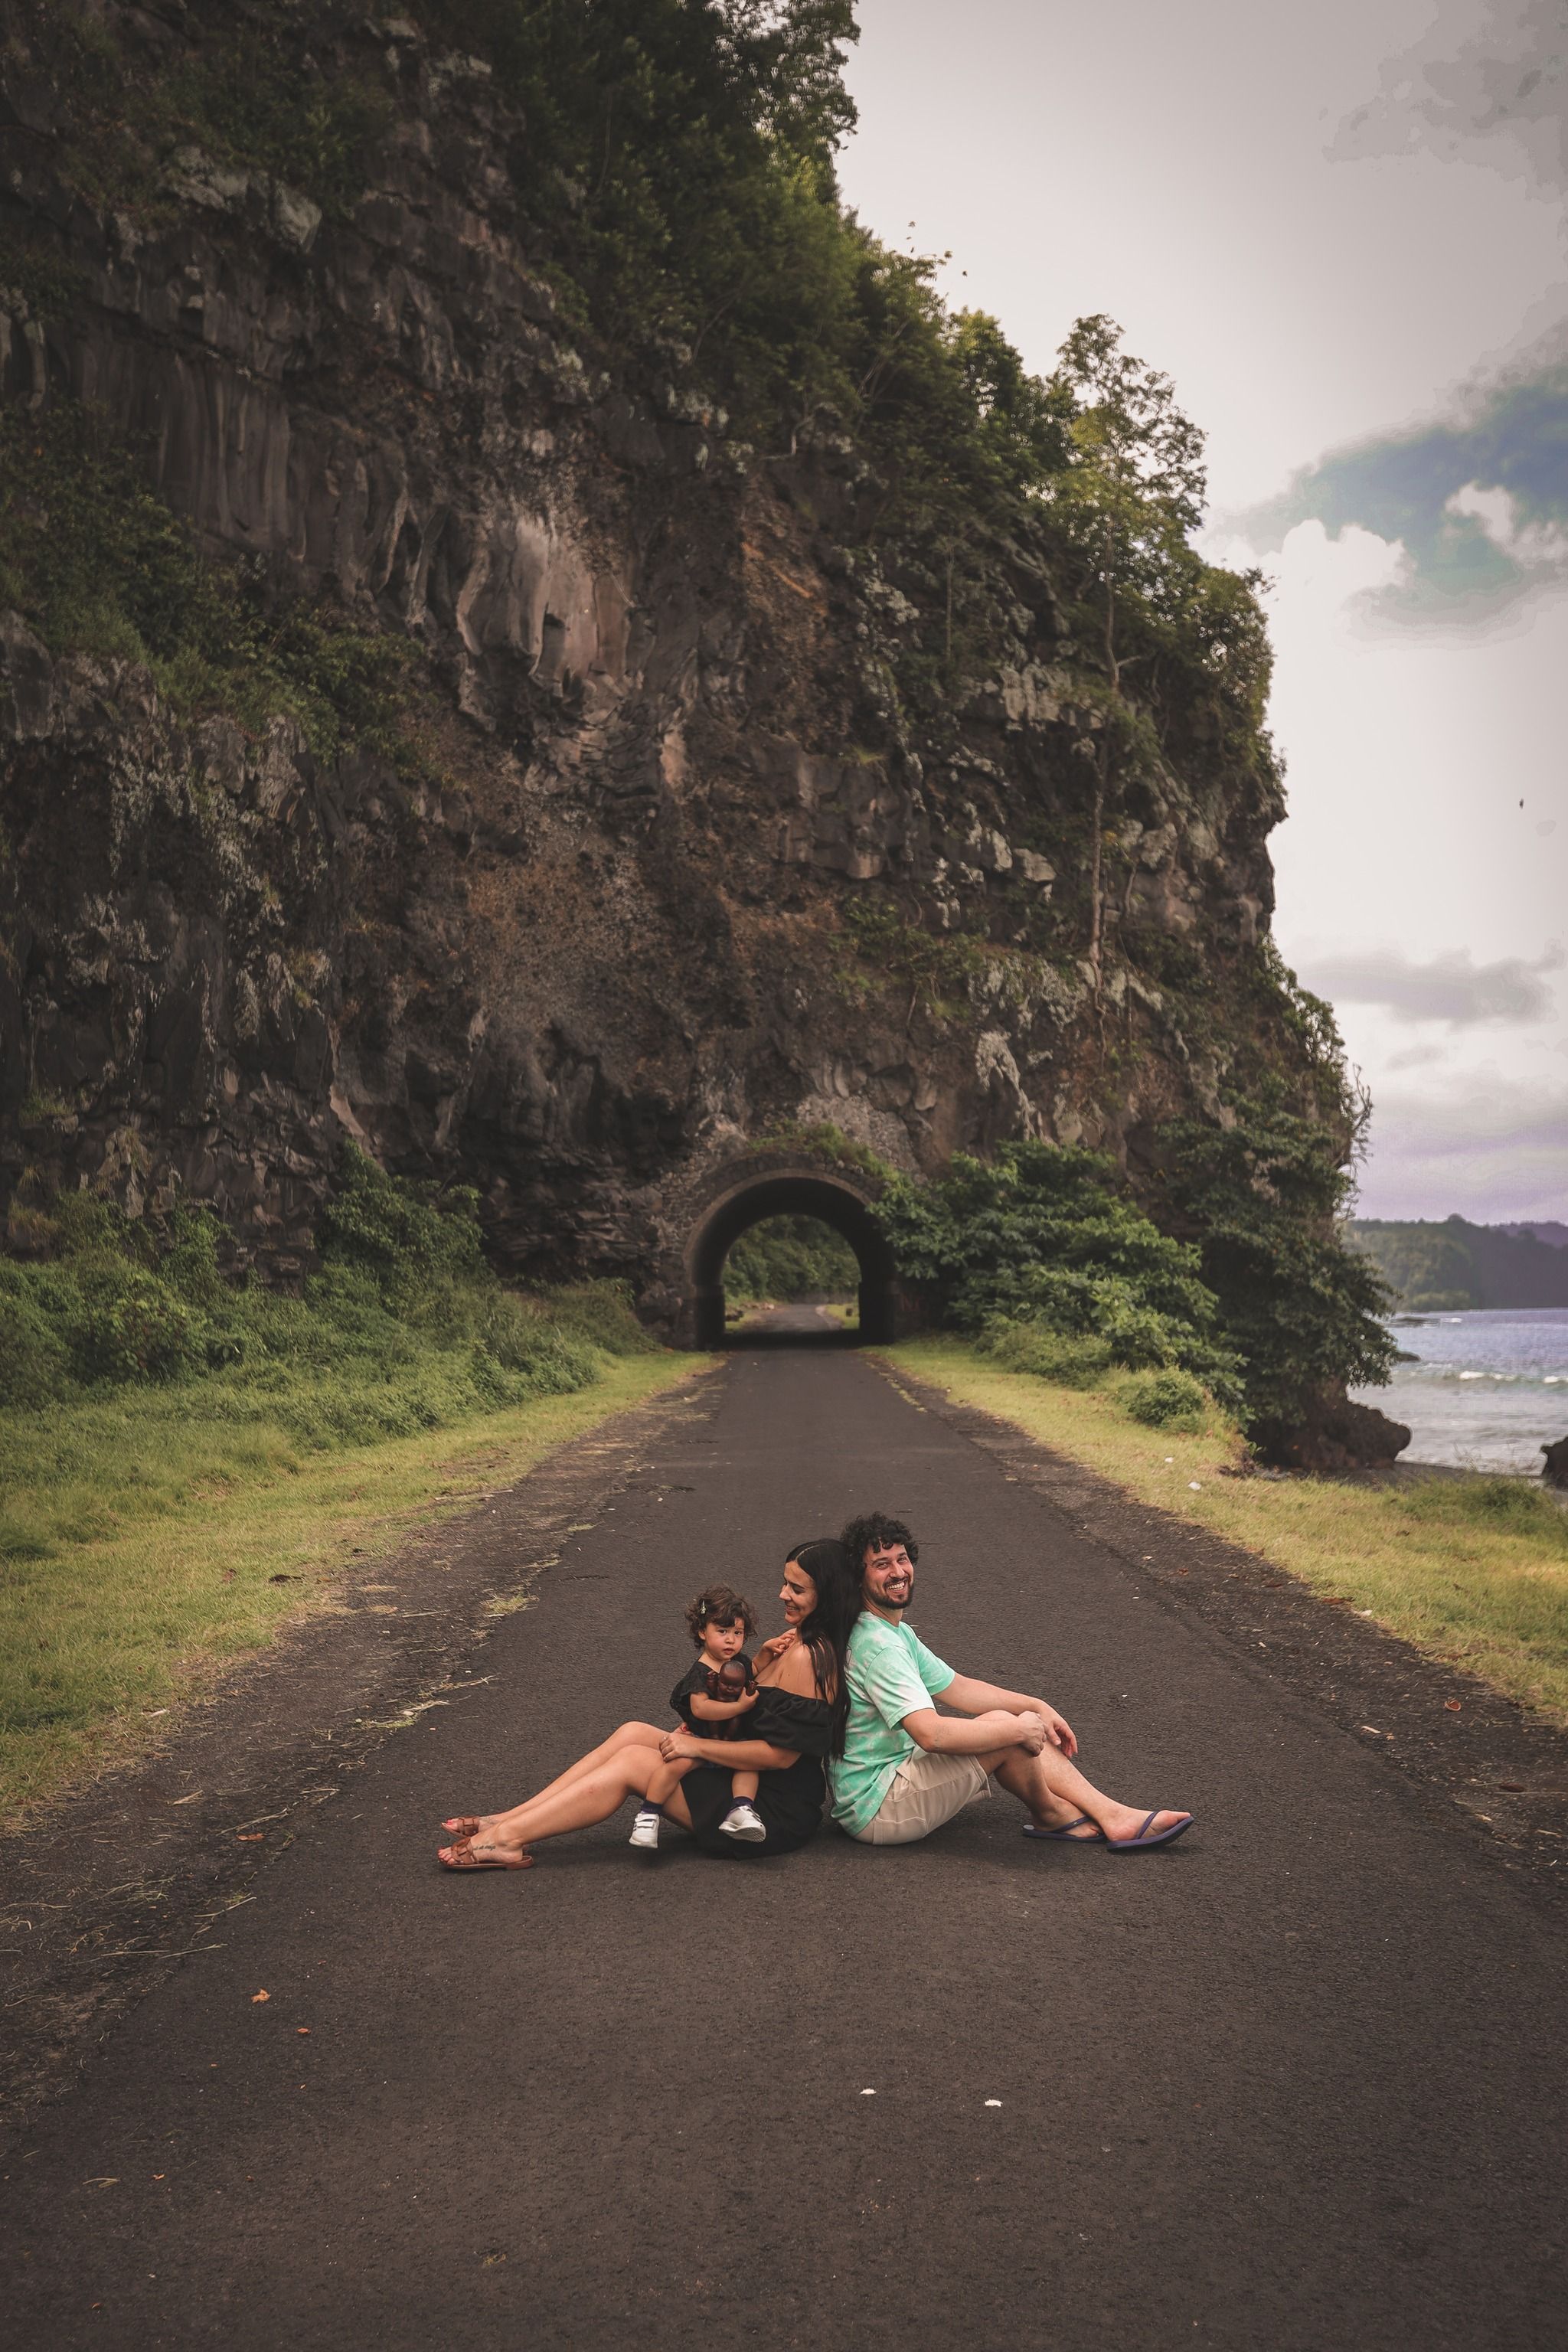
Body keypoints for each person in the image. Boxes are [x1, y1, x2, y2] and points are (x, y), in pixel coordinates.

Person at [436, 1539, 859, 1870]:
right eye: (785, 1581)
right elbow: (750, 1709)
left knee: (634, 1764)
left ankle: (507, 1841)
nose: (782, 1593)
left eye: (796, 1588)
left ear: (828, 1595)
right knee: (634, 1732)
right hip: (738, 1776)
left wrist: (697, 1747)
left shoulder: (809, 1657)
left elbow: (781, 1757)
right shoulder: (792, 1644)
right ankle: (508, 1819)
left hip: (767, 1808)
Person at [829, 1511, 1194, 1852]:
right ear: (858, 1576)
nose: (898, 1571)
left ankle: (1107, 1813)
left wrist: (1035, 1706)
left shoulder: (891, 1631)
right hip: (877, 1806)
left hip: (886, 1781)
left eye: (902, 1559)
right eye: (881, 1564)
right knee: (1007, 1729)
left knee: (1010, 1721)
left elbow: (959, 1687)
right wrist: (1018, 1729)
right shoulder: (880, 1647)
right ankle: (1056, 1813)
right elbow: (932, 1735)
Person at [629, 1584, 766, 1851]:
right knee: (674, 1766)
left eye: (737, 1633)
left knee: (749, 1765)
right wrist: (741, 1708)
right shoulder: (701, 1672)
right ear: (703, 1632)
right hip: (701, 1738)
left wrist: (768, 1654)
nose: (731, 1640)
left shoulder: (739, 1661)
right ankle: (648, 1814)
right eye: (722, 1631)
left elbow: (753, 1669)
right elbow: (701, 1709)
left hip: (731, 1739)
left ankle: (741, 1809)